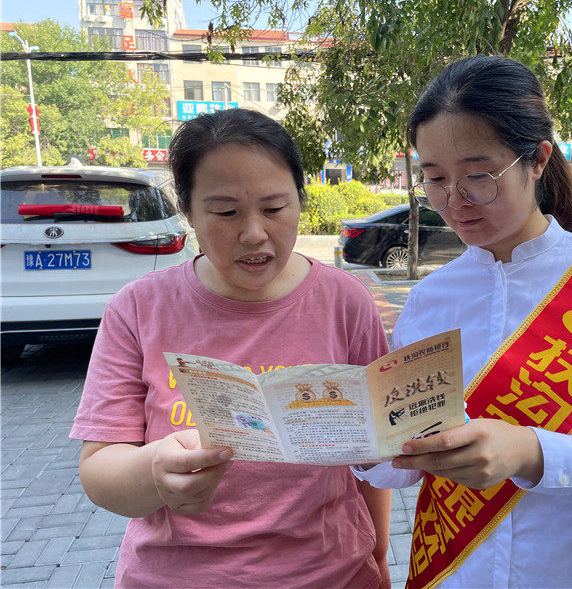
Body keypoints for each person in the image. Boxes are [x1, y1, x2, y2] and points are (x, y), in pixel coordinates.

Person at [353, 55, 572, 589]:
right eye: (435, 179)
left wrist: (533, 454)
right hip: (459, 572)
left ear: (537, 160)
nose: (454, 201)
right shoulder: (428, 301)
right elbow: (403, 461)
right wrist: (362, 441)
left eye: (478, 176)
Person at [71, 108, 391, 589]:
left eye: (275, 208)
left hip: (330, 574)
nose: (254, 233)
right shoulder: (138, 309)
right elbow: (99, 469)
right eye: (225, 213)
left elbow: (373, 453)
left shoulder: (345, 301)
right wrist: (155, 471)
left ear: (299, 198)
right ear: (189, 211)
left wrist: (379, 554)